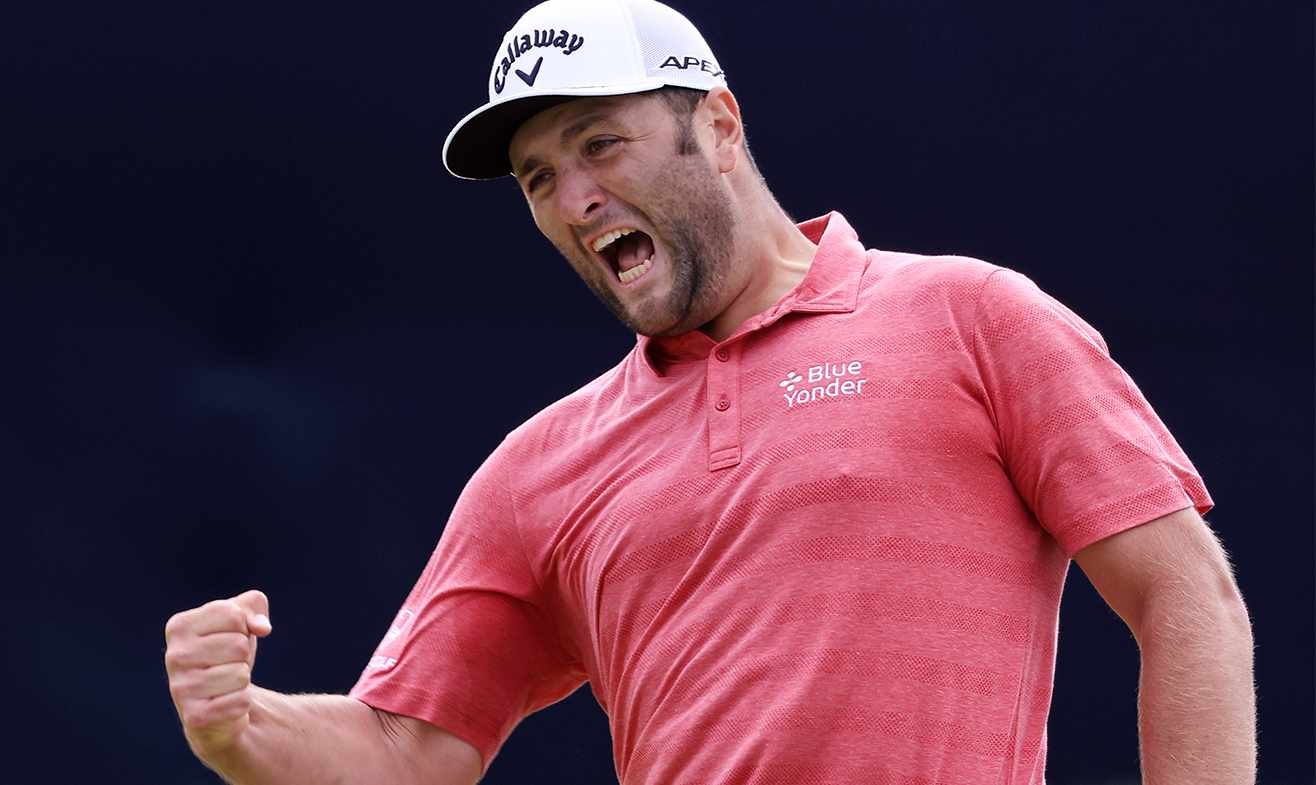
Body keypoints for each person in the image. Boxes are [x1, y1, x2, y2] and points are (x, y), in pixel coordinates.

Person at [164, 1, 1256, 782]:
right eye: (540, 177)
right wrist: (240, 728)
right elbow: (409, 752)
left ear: (720, 127)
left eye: (602, 143)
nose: (576, 198)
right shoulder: (539, 467)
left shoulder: (973, 317)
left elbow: (1184, 595)